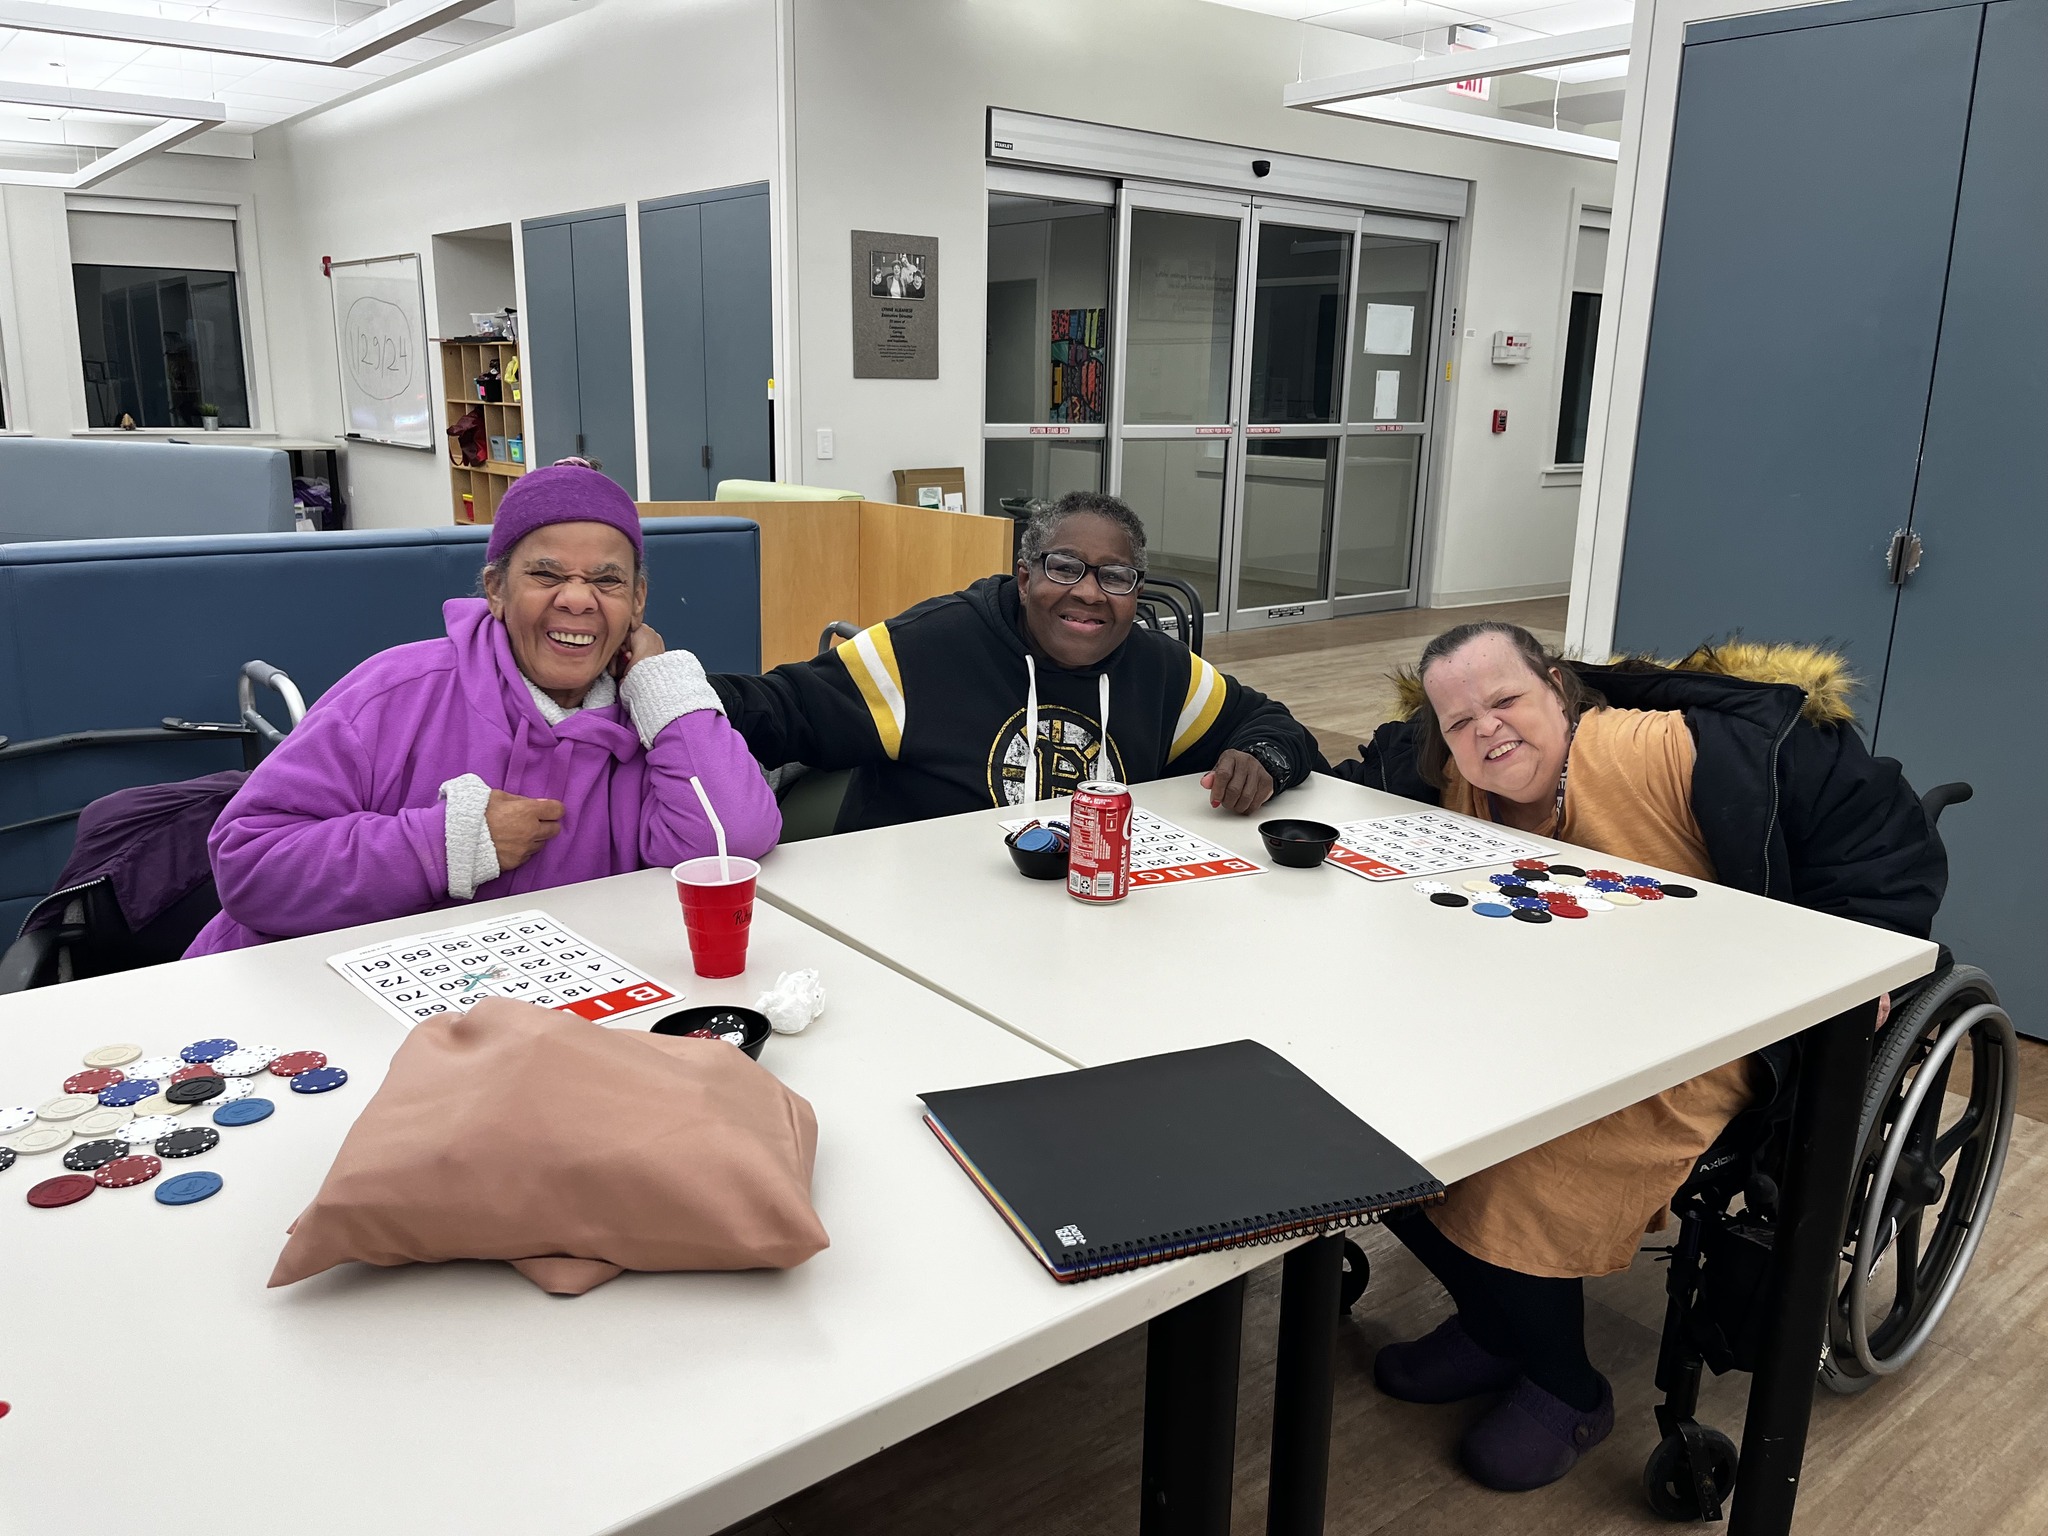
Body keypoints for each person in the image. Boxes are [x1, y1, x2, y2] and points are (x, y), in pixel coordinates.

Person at [1332, 622, 1945, 1492]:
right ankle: (1492, 1322)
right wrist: (1271, 761)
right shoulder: (1440, 772)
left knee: (1527, 1161)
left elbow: (1877, 834)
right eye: (1460, 719)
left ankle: (1564, 1384)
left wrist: (1866, 948)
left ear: (1557, 685)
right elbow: (1343, 791)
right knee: (1365, 1128)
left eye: (1506, 701)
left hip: (1705, 1027)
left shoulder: (1669, 751)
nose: (1487, 731)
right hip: (1525, 1011)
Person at [187, 465, 778, 954]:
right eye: (546, 574)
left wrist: (659, 679)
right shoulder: (397, 691)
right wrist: (443, 844)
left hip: (526, 1013)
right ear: (495, 590)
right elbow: (250, 864)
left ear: (638, 601)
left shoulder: (651, 717)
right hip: (304, 1007)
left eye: (607, 581)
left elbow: (728, 842)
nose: (576, 598)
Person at [710, 491, 1321, 830]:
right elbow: (775, 708)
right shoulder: (927, 647)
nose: (1087, 592)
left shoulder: (1160, 670)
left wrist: (1261, 758)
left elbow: (1270, 723)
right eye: (1063, 568)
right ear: (1025, 576)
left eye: (1114, 577)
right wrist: (653, 685)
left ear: (1136, 592)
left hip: (1091, 924)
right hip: (920, 924)